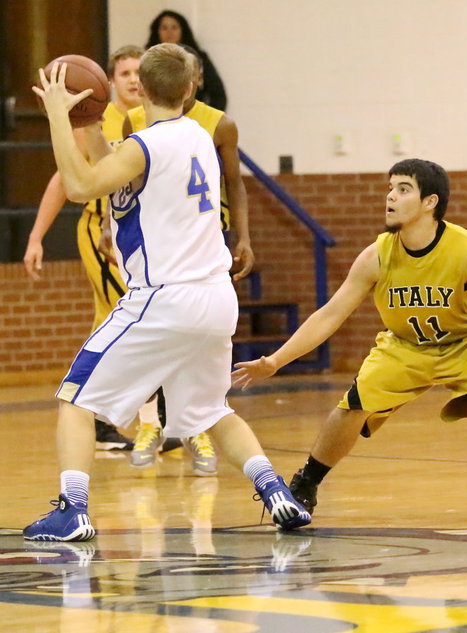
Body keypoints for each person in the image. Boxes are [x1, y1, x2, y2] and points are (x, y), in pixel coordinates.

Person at [24, 43, 310, 542]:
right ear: (190, 89)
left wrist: (55, 114)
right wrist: (86, 123)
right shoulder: (198, 136)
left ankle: (73, 510)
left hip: (165, 297)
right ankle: (274, 490)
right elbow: (112, 170)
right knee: (212, 411)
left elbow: (79, 184)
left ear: (139, 90)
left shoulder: (145, 146)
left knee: (75, 399)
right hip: (215, 299)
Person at [232, 158, 467, 517]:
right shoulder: (377, 255)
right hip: (405, 345)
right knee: (352, 405)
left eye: (403, 189)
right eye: (389, 188)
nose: (390, 196)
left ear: (430, 202)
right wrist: (276, 360)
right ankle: (306, 484)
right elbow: (330, 314)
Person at [121, 43, 254, 473]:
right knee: (155, 339)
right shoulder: (136, 120)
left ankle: (195, 428)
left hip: (201, 246)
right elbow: (128, 186)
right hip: (156, 248)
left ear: (196, 80)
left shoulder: (218, 125)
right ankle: (148, 424)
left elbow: (236, 184)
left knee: (188, 342)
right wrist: (112, 228)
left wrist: (243, 236)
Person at [23, 45, 146, 452]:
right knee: (129, 318)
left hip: (140, 232)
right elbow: (64, 179)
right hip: (100, 231)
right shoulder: (93, 116)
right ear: (107, 82)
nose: (131, 79)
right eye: (124, 72)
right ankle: (132, 418)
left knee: (109, 319)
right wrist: (37, 235)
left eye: (137, 72)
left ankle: (100, 414)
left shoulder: (151, 119)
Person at [146, 10, 226, 110]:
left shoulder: (197, 57)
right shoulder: (147, 58)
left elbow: (218, 94)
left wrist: (209, 120)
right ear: (157, 31)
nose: (169, 32)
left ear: (183, 30)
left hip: (193, 114)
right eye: (164, 28)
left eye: (174, 27)